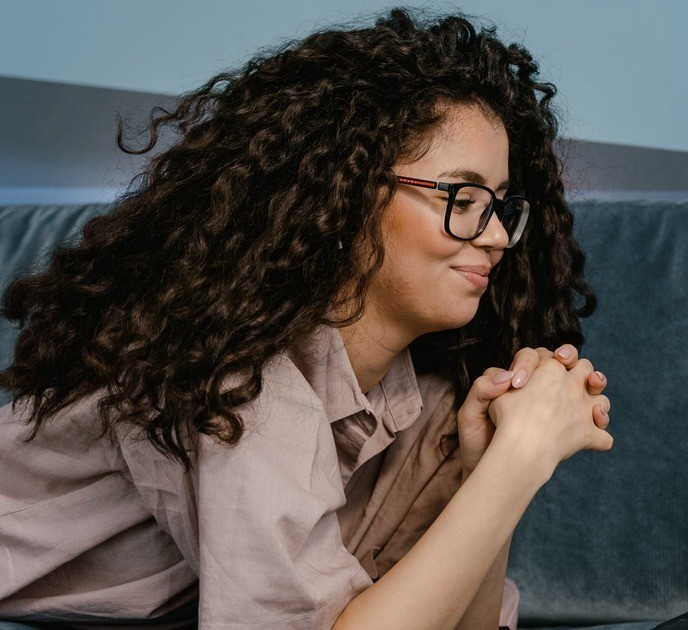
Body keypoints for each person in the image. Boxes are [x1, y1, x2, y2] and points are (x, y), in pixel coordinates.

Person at [0, 7, 613, 629]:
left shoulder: (428, 412)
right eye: (463, 197)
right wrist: (518, 464)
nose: (496, 239)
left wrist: (493, 467)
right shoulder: (237, 390)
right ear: (343, 198)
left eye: (502, 207)